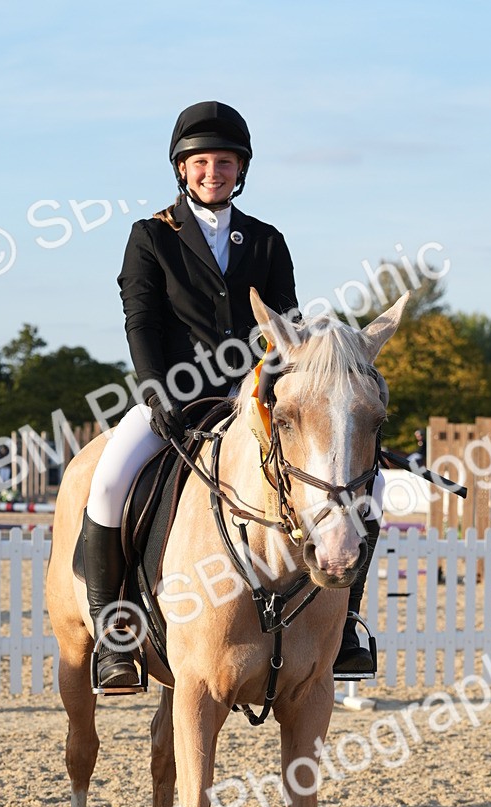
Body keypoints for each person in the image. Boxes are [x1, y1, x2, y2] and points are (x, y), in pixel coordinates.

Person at [82, 102, 303, 691]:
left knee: (361, 485)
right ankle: (114, 637)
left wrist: (274, 390)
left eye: (225, 162)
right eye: (201, 161)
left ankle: (346, 626)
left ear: (241, 169)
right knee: (107, 484)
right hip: (173, 398)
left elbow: (287, 326)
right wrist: (157, 392)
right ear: (182, 169)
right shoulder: (152, 235)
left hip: (249, 402)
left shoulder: (266, 240)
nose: (213, 171)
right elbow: (141, 320)